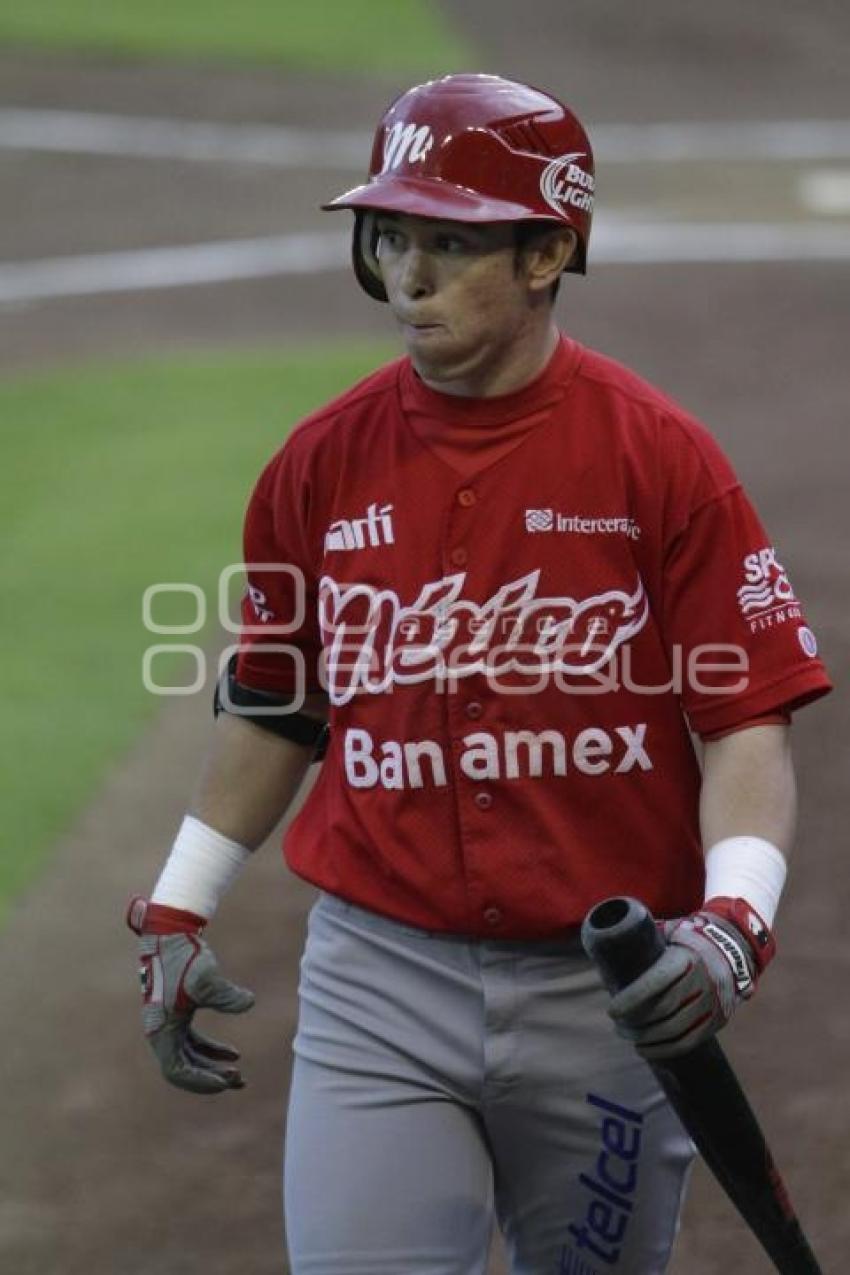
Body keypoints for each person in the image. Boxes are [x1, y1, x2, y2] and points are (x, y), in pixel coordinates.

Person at [128, 74, 832, 1273]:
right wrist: (178, 902)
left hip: (608, 999)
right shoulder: (318, 464)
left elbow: (742, 718)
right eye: (389, 236)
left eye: (450, 244)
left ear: (548, 250)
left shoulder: (657, 460)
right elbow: (276, 699)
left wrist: (729, 931)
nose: (408, 275)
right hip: (378, 983)